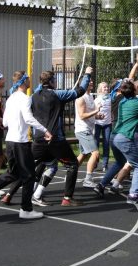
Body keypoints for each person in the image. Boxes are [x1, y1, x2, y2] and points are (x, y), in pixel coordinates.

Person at [0, 71, 52, 220]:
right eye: (29, 79)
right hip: (20, 142)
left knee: (13, 173)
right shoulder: (25, 99)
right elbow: (28, 118)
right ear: (24, 82)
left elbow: (4, 122)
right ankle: (26, 209)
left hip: (10, 141)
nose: (31, 80)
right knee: (30, 175)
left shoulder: (11, 98)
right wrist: (45, 130)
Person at [93, 79, 138, 203]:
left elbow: (130, 92)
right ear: (134, 91)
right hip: (124, 138)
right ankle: (133, 194)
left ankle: (101, 185)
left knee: (119, 162)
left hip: (114, 136)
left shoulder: (122, 101)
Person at [30, 66, 93, 207]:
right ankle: (67, 198)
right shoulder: (57, 94)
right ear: (52, 81)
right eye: (54, 80)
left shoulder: (34, 95)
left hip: (39, 138)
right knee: (72, 164)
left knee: (38, 165)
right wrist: (87, 74)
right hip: (54, 139)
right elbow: (80, 91)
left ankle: (23, 194)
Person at [75, 80, 102, 188]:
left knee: (83, 154)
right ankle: (88, 179)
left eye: (92, 81)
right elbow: (82, 115)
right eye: (89, 81)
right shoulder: (81, 98)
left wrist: (98, 116)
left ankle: (71, 172)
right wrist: (96, 111)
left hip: (88, 129)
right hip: (82, 130)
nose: (91, 83)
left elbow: (89, 114)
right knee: (95, 154)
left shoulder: (90, 96)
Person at [94, 81, 112, 172]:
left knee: (106, 143)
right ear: (100, 89)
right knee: (95, 144)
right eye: (104, 87)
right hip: (97, 124)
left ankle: (105, 164)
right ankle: (95, 162)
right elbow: (94, 111)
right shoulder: (97, 99)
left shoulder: (110, 98)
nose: (106, 88)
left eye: (107, 87)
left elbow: (112, 110)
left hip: (107, 124)